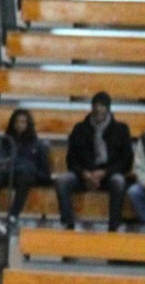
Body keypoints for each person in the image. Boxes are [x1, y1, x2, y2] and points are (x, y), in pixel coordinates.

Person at [53, 92, 132, 230]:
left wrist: (104, 173)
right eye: (96, 106)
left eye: (102, 106)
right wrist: (84, 174)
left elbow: (126, 161)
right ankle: (68, 223)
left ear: (108, 108)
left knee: (119, 182)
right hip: (83, 175)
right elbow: (71, 160)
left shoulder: (121, 129)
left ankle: (114, 227)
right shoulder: (79, 129)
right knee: (62, 181)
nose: (98, 109)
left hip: (109, 175)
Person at [0, 108, 51, 229]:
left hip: (26, 177)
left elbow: (45, 173)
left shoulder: (37, 144)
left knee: (25, 175)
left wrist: (30, 169)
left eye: (23, 122)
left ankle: (12, 216)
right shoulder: (4, 142)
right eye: (17, 122)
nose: (19, 125)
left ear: (28, 125)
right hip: (5, 174)